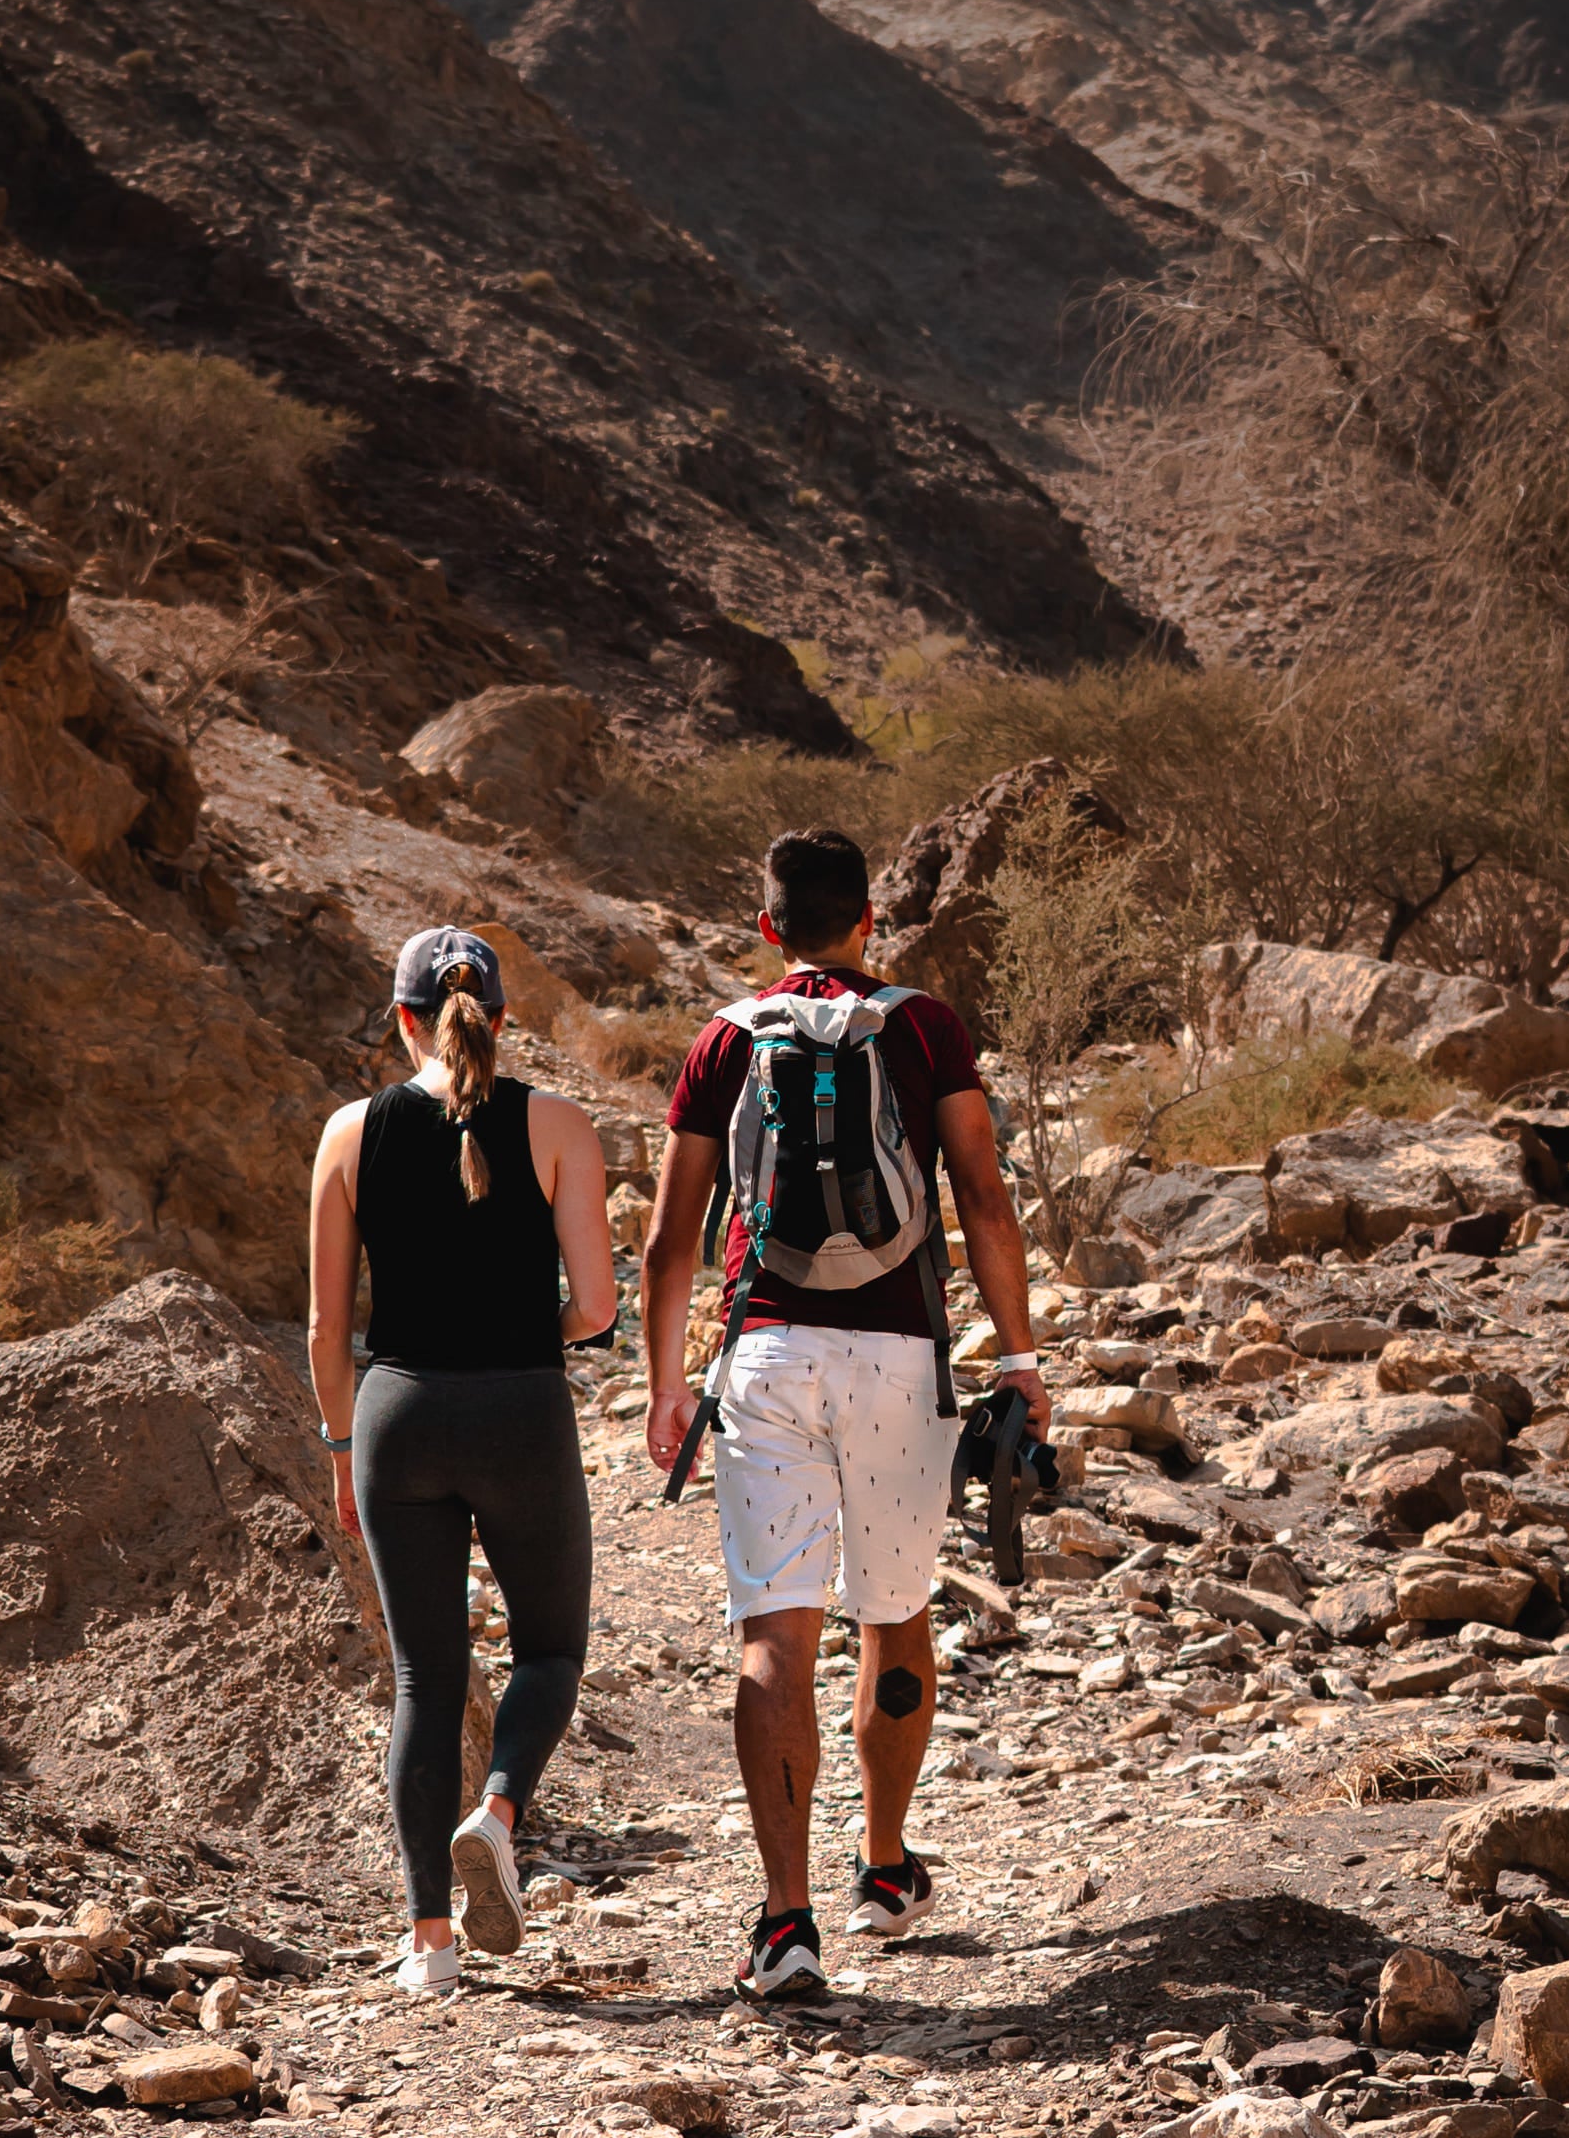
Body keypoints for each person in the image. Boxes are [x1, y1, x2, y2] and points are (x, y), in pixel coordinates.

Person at [642, 827, 1046, 2001]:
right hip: (900, 1364)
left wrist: (671, 1383)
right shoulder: (923, 1026)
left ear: (769, 928)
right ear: (870, 919)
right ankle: (882, 1867)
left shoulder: (724, 1038)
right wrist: (1016, 1359)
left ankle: (784, 1924)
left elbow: (673, 1236)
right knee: (894, 1613)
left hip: (765, 1353)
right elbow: (981, 1194)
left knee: (776, 1634)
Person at [308, 925, 616, 2002]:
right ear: (500, 1015)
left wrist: (343, 1449)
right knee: (549, 1653)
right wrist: (521, 1324)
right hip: (520, 1409)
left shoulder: (348, 1132)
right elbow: (598, 1306)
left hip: (396, 1416)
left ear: (401, 1018)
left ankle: (426, 1943)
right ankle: (496, 1814)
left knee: (423, 1678)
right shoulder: (559, 1124)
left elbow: (323, 1325)